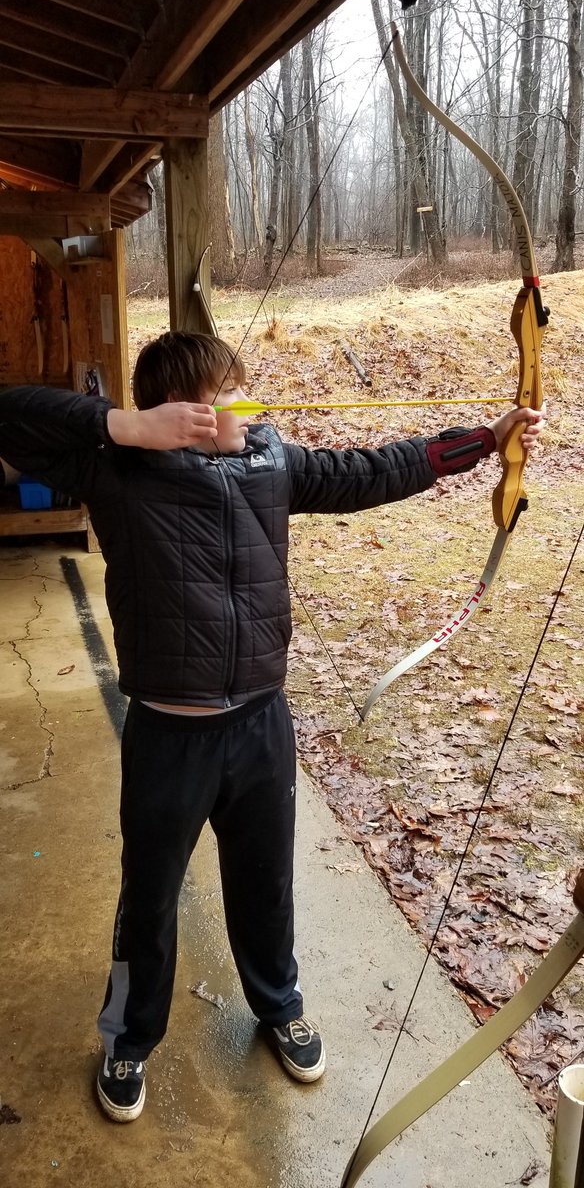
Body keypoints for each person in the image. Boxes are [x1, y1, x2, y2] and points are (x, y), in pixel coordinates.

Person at [0, 332, 545, 1123]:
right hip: (167, 735)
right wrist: (123, 425)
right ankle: (130, 1035)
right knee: (150, 898)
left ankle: (278, 1003)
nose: (251, 405)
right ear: (182, 411)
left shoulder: (270, 462)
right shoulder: (113, 471)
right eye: (231, 392)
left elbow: (373, 469)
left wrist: (482, 441)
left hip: (261, 725)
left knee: (265, 884)